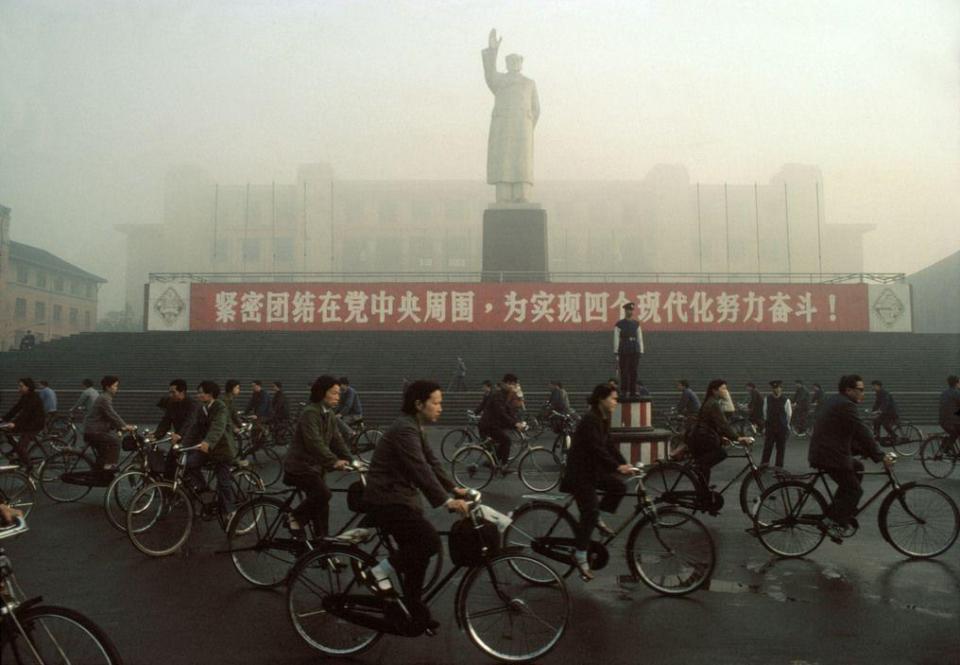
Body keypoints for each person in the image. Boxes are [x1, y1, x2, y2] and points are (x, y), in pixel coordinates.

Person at [362, 380, 470, 631]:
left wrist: (454, 488)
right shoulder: (405, 429)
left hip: (399, 497)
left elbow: (432, 462)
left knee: (417, 557)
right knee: (429, 542)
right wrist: (446, 501)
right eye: (436, 402)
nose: (440, 408)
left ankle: (411, 611)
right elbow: (419, 467)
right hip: (387, 499)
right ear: (419, 404)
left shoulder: (413, 426)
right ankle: (377, 573)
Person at [560, 383, 634, 581]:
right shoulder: (590, 419)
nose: (616, 402)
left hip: (593, 471)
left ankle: (597, 518)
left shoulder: (602, 418)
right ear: (601, 398)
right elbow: (596, 449)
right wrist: (616, 467)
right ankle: (580, 555)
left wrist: (625, 464)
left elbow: (608, 444)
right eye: (613, 398)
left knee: (618, 487)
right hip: (579, 474)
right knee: (589, 512)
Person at [808, 375, 893, 539]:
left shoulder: (838, 401)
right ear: (848, 390)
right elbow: (861, 431)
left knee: (858, 468)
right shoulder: (846, 405)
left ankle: (838, 511)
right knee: (854, 490)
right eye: (860, 390)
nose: (863, 393)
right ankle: (833, 522)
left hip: (828, 451)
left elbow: (847, 432)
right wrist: (881, 456)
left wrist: (865, 452)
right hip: (829, 455)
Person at [283, 375, 352, 538]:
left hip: (314, 468)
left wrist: (352, 460)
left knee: (322, 509)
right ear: (322, 393)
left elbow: (337, 441)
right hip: (299, 467)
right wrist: (334, 461)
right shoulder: (310, 413)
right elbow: (314, 443)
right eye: (334, 393)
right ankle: (294, 517)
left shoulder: (329, 414)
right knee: (323, 494)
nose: (338, 397)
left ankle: (323, 548)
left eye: (338, 393)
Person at [481, 28, 540, 203]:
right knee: (503, 160)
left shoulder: (529, 83)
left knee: (521, 162)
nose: (514, 64)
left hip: (522, 128)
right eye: (510, 61)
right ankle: (504, 194)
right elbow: (489, 74)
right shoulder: (499, 81)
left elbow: (536, 108)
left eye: (516, 61)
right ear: (506, 64)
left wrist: (528, 126)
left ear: (521, 63)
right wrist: (493, 51)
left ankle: (522, 194)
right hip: (503, 127)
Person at [688, 379, 754, 487]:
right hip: (703, 438)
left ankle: (703, 493)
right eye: (723, 388)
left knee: (705, 469)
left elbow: (714, 424)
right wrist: (738, 438)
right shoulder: (713, 404)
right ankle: (698, 468)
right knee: (720, 454)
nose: (726, 391)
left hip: (701, 437)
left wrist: (721, 436)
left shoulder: (710, 401)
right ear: (715, 390)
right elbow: (723, 425)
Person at [191, 381, 238, 521]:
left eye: (201, 392)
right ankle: (204, 488)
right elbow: (194, 428)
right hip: (208, 449)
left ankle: (231, 512)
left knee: (223, 481)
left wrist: (208, 442)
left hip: (222, 450)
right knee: (190, 463)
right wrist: (182, 442)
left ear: (210, 394)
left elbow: (218, 426)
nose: (198, 395)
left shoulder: (220, 407)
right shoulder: (202, 408)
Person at [84, 376, 136, 470]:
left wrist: (119, 427)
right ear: (108, 387)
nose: (117, 388)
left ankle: (100, 471)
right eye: (115, 386)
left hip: (94, 430)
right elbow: (112, 414)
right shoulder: (104, 398)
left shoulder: (105, 397)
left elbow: (108, 417)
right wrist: (124, 426)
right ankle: (110, 466)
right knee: (115, 441)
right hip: (94, 431)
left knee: (104, 453)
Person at [0, 378, 46, 473]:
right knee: (6, 432)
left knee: (21, 446)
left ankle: (29, 466)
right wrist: (4, 419)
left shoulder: (33, 397)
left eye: (21, 386)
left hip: (34, 425)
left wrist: (14, 423)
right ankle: (15, 451)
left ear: (28, 387)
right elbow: (16, 408)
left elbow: (25, 414)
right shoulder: (25, 396)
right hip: (27, 423)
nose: (19, 388)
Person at [478, 373, 524, 466]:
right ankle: (504, 466)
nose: (514, 387)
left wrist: (516, 422)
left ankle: (492, 462)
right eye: (513, 384)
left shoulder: (504, 394)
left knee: (502, 443)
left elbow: (508, 410)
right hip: (488, 425)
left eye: (515, 385)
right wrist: (514, 424)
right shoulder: (498, 395)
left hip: (493, 424)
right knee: (506, 441)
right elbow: (501, 413)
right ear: (507, 383)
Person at [153, 379, 200, 445]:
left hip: (193, 440)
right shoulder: (172, 404)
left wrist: (179, 435)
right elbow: (165, 421)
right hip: (178, 438)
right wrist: (156, 435)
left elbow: (190, 422)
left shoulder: (193, 405)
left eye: (173, 392)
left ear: (182, 392)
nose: (170, 395)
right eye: (170, 392)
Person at [613, 303, 644, 399]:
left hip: (634, 348)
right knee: (624, 371)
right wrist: (616, 350)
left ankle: (633, 391)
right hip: (624, 348)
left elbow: (640, 337)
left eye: (631, 310)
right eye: (628, 310)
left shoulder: (636, 324)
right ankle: (624, 390)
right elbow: (616, 338)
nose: (629, 312)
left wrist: (641, 350)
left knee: (634, 371)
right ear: (625, 311)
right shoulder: (619, 324)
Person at [761, 381, 792, 468]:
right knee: (768, 446)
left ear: (781, 389)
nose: (776, 390)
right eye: (775, 388)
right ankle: (765, 463)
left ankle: (778, 465)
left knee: (780, 447)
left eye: (778, 388)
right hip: (771, 426)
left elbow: (789, 414)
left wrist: (786, 424)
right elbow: (765, 413)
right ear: (772, 389)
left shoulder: (786, 400)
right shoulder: (767, 399)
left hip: (781, 427)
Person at [335, 376, 363, 441]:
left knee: (338, 420)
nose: (339, 386)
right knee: (337, 421)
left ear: (345, 384)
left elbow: (348, 405)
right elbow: (340, 405)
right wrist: (334, 413)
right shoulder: (343, 392)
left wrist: (340, 414)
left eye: (340, 384)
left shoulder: (351, 391)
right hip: (349, 414)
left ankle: (351, 433)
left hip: (355, 415)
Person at [939, 375, 960, 449]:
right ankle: (945, 448)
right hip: (953, 421)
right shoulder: (956, 393)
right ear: (956, 383)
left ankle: (945, 447)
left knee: (955, 433)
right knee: (956, 431)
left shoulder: (944, 393)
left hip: (943, 420)